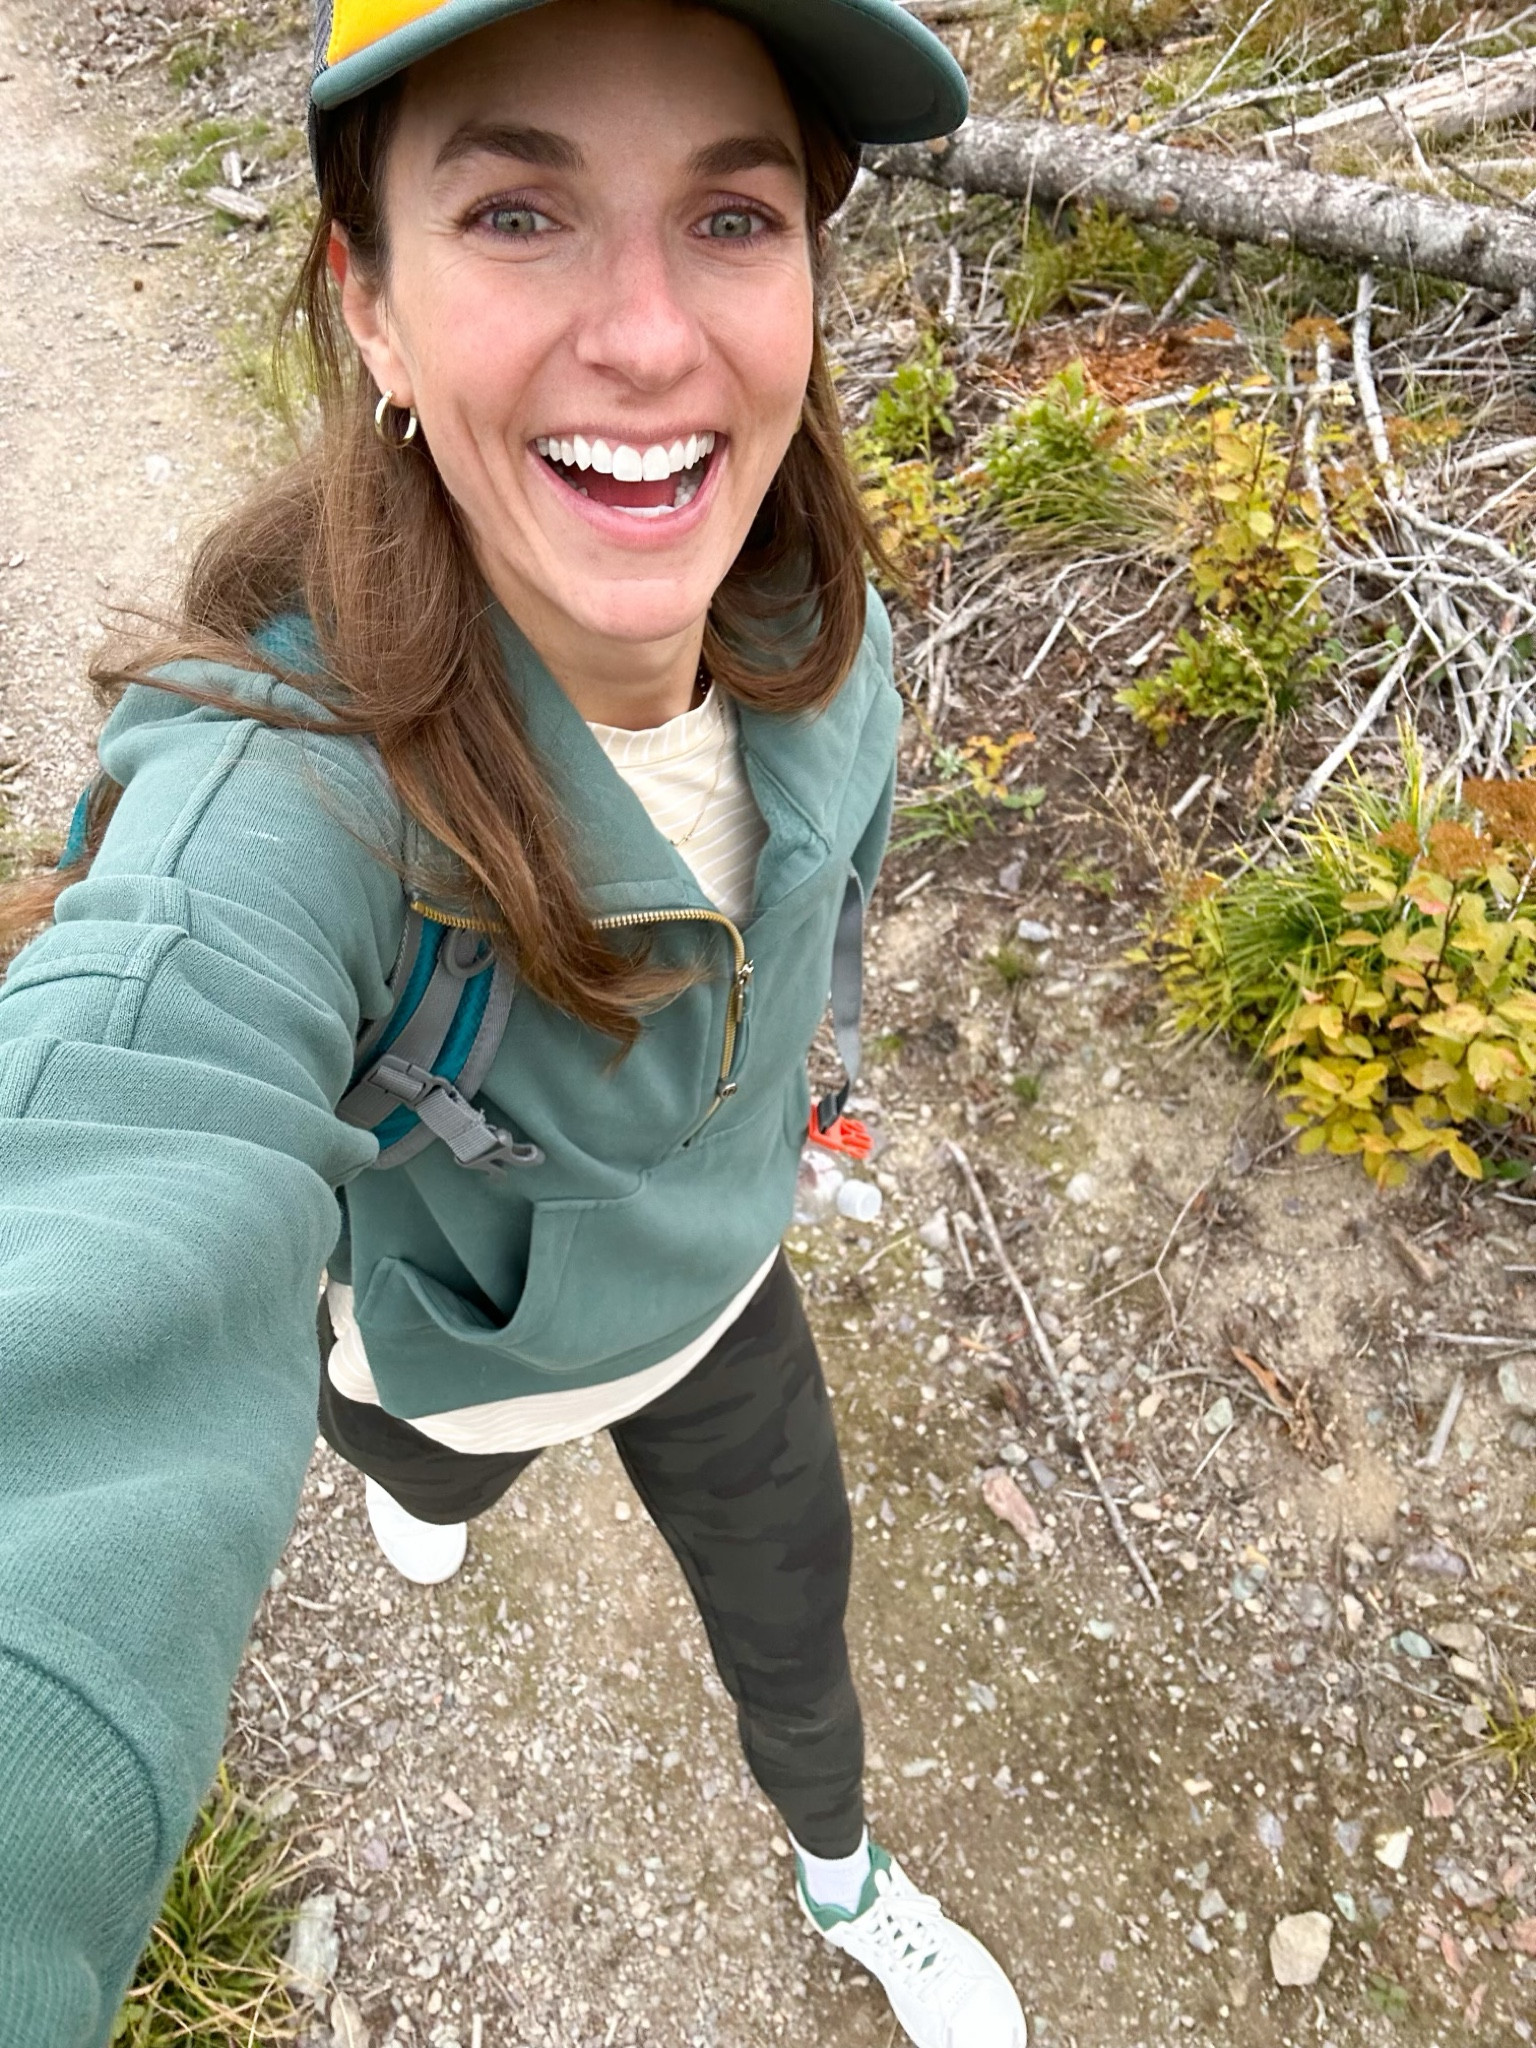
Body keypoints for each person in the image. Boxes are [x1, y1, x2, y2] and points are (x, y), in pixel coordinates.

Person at [0, 3, 1028, 2043]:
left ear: (812, 272)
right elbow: (106, 1159)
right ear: (367, 301)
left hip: (718, 1290)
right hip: (445, 1364)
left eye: (732, 213)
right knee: (438, 1470)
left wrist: (814, 1081)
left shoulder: (829, 634)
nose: (649, 336)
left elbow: (828, 891)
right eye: (522, 208)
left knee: (794, 1612)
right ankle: (424, 1476)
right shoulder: (270, 798)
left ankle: (841, 1873)